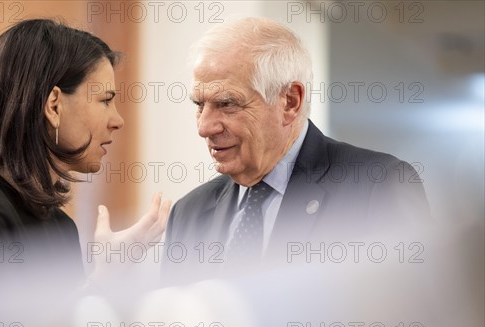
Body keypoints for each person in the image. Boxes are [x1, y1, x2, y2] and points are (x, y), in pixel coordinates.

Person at [163, 17, 429, 275]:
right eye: (199, 105)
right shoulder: (188, 215)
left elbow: (412, 312)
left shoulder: (378, 187)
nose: (204, 127)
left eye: (227, 104)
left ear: (290, 102)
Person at [0, 19, 170, 295]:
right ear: (54, 106)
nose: (117, 120)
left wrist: (109, 275)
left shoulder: (61, 226)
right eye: (105, 100)